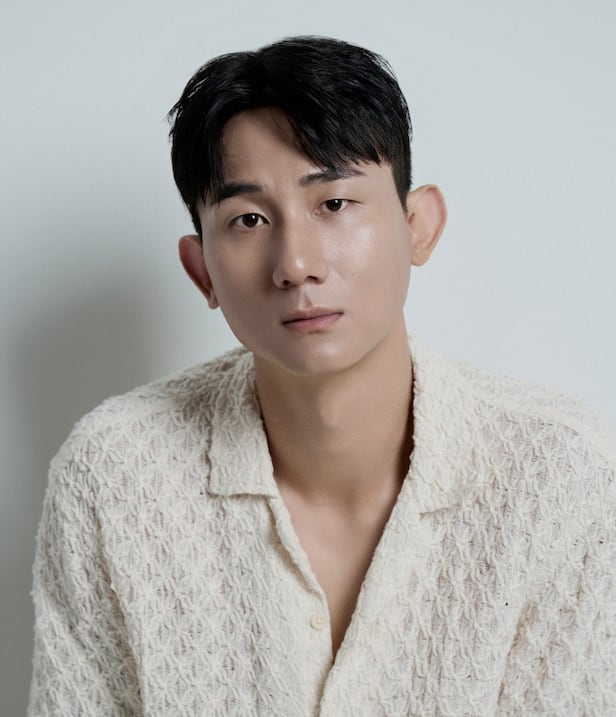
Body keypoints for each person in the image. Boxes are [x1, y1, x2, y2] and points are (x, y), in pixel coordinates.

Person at [29, 36, 615, 716]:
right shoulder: (113, 478)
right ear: (202, 271)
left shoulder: (561, 477)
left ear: (419, 225)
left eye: (333, 203)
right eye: (249, 219)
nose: (296, 264)